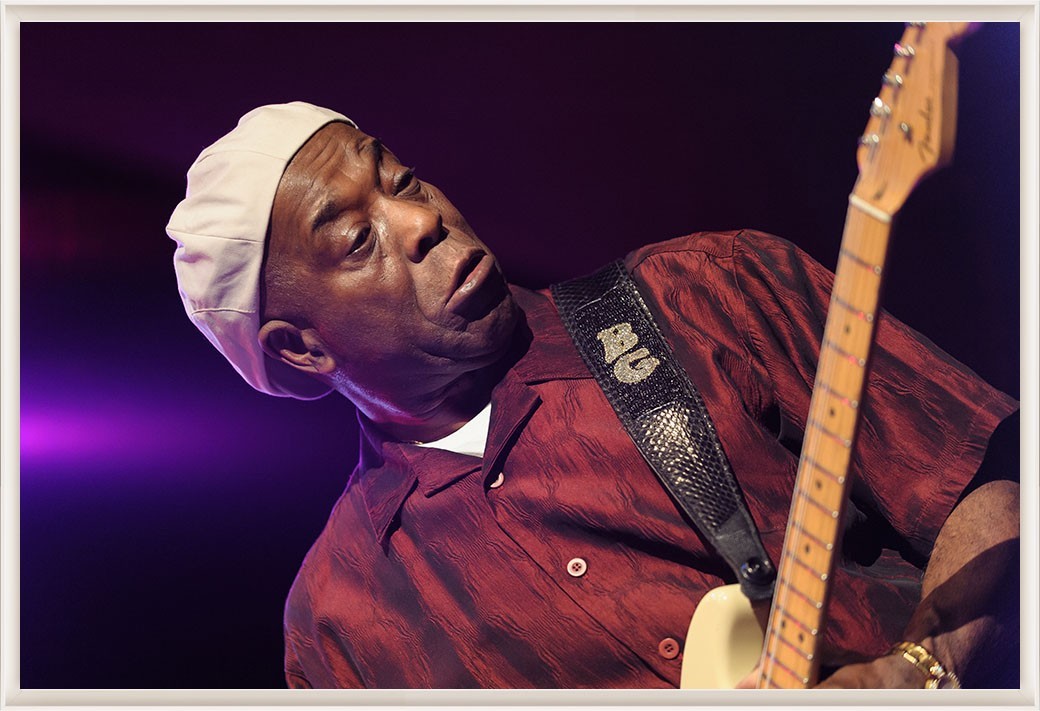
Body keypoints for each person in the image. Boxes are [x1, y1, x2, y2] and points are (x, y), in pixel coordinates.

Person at [166, 102, 1019, 689]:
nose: (420, 220)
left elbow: (996, 472)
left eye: (404, 180)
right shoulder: (339, 623)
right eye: (359, 239)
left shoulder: (709, 290)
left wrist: (920, 666)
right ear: (302, 348)